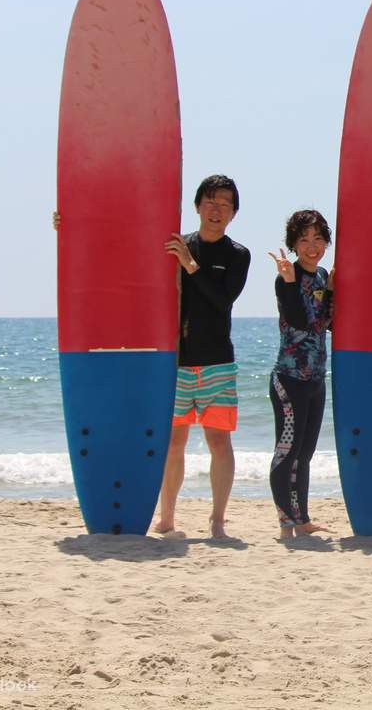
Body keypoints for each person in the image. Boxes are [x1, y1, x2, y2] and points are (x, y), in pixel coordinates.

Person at [155, 175, 251, 539]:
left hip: (217, 362)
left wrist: (191, 266)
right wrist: (66, 225)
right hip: (176, 363)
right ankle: (166, 518)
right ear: (197, 206)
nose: (216, 210)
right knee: (173, 442)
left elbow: (222, 301)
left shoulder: (237, 255)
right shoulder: (177, 245)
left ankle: (217, 519)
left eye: (225, 204)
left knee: (218, 442)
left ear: (233, 213)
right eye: (210, 201)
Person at [266, 210, 334, 539]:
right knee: (287, 450)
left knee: (305, 455)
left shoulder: (322, 275)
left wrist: (333, 289)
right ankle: (285, 523)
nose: (312, 246)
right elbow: (299, 321)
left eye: (318, 239)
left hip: (316, 378)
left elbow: (329, 322)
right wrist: (292, 284)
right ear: (293, 243)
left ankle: (302, 518)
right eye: (304, 239)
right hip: (289, 379)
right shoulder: (286, 276)